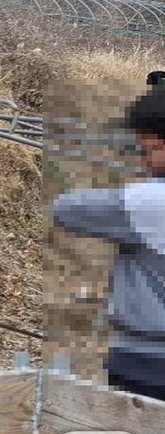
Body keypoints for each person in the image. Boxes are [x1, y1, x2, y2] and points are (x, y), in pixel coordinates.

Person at [53, 81, 165, 400]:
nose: (146, 161)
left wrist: (142, 188)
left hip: (150, 365)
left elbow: (67, 208)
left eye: (152, 149)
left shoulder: (152, 201)